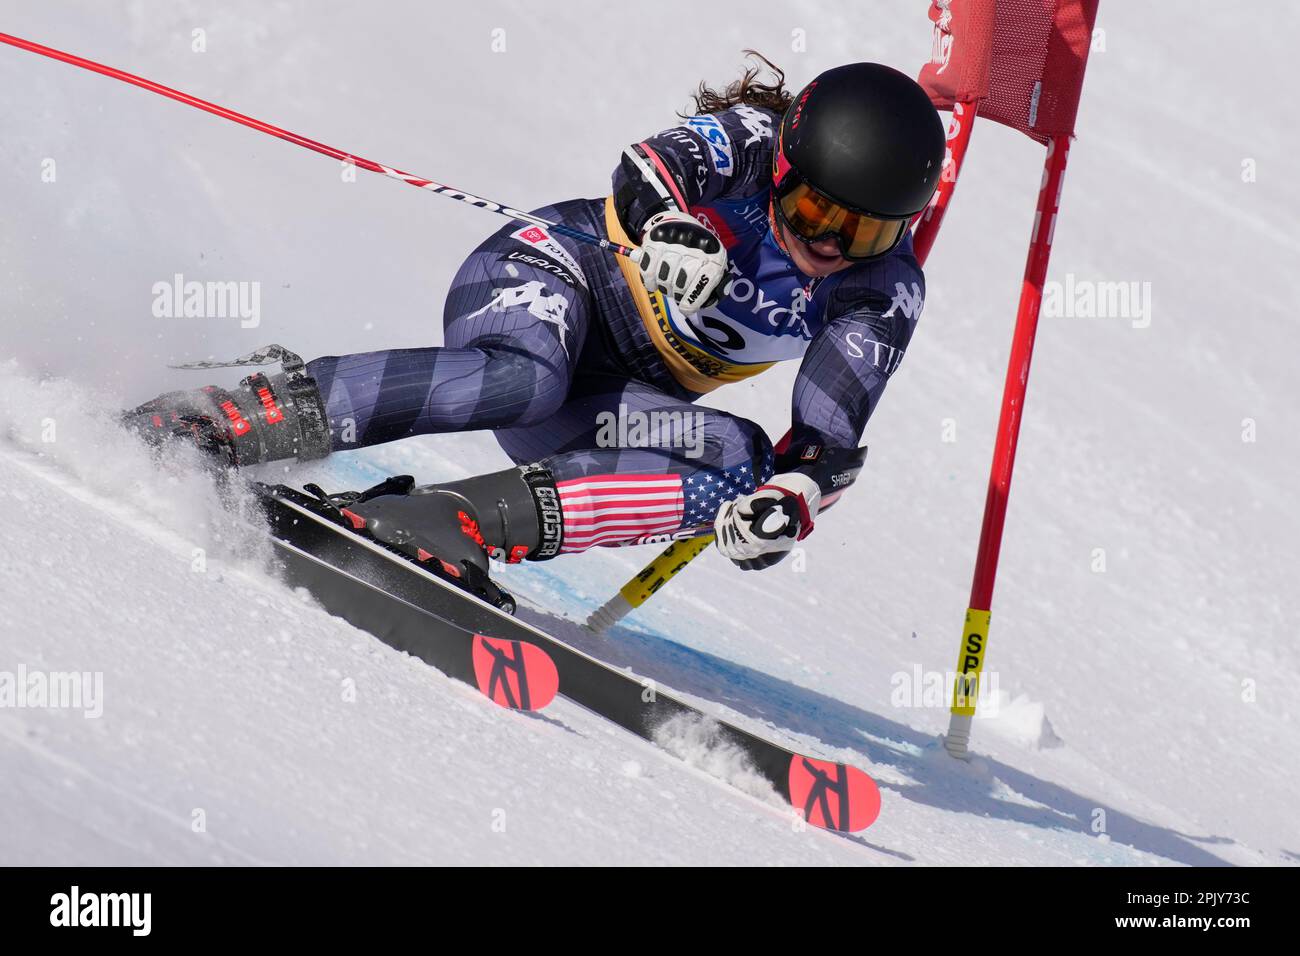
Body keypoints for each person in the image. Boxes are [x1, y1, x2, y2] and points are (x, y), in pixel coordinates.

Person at [126, 56, 946, 584]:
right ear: (786, 171)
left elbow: (826, 435)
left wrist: (792, 499)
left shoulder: (882, 290)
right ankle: (227, 421)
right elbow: (648, 167)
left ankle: (446, 522)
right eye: (810, 211)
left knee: (741, 457)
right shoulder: (754, 142)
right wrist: (669, 228)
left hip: (609, 397)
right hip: (553, 279)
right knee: (524, 376)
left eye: (863, 230)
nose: (829, 244)